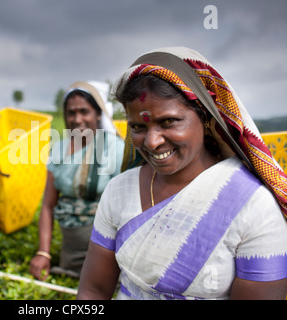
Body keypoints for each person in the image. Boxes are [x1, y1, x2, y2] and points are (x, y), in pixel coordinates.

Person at [77, 47, 287, 300]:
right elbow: (93, 291)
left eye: (169, 122)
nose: (152, 142)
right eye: (138, 126)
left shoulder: (254, 205)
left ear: (205, 117)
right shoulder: (119, 190)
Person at [29, 81, 124, 280]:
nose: (77, 119)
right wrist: (43, 253)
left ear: (98, 114)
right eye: (71, 113)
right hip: (70, 253)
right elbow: (48, 206)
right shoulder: (59, 150)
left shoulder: (115, 150)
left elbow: (126, 210)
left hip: (108, 254)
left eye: (84, 111)